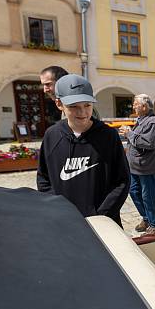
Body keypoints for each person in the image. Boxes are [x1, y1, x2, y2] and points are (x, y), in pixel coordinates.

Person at [37, 74, 129, 226]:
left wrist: (100, 217)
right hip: (64, 223)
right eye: (74, 107)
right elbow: (43, 179)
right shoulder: (51, 136)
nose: (83, 113)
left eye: (87, 105)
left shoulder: (108, 135)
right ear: (59, 104)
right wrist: (60, 211)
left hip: (103, 224)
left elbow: (122, 181)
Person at [120, 94, 155, 235]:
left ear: (144, 107)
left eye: (135, 104)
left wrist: (129, 134)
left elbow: (149, 143)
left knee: (148, 196)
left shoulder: (153, 122)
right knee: (133, 192)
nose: (133, 106)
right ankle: (146, 218)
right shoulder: (141, 120)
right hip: (135, 167)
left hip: (145, 167)